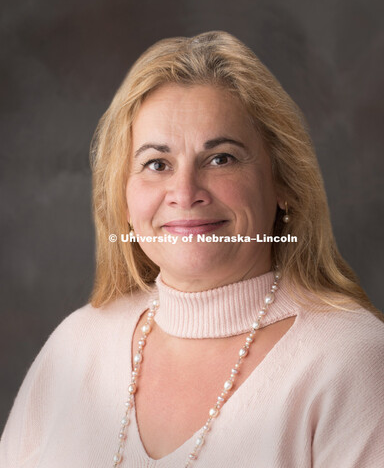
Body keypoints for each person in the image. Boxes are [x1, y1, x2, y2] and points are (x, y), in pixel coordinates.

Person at [1, 31, 383, 468]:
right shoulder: (75, 346)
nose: (185, 192)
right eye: (156, 164)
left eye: (221, 158)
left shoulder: (352, 361)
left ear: (283, 183)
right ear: (123, 197)